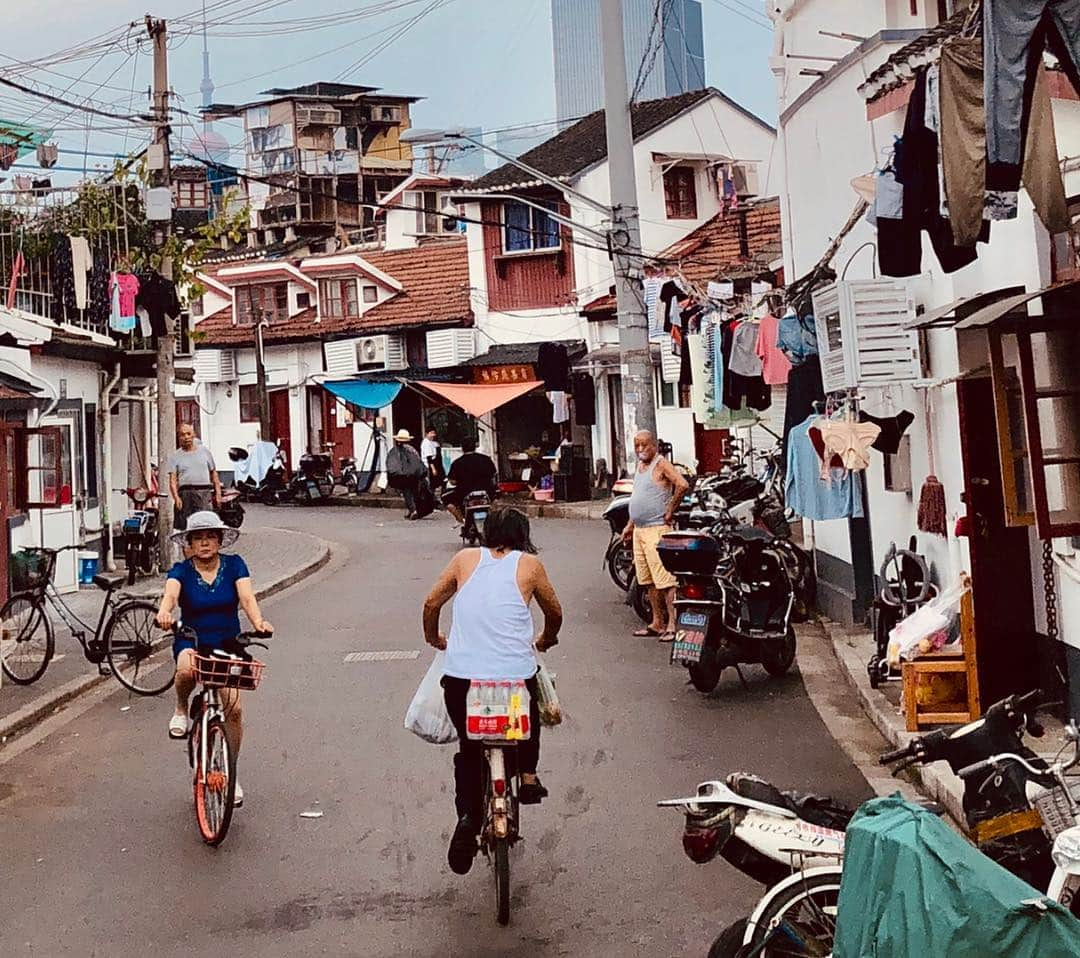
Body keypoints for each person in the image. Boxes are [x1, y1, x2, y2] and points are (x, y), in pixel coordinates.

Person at [422, 507, 563, 875]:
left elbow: (431, 602)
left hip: (462, 679)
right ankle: (528, 776)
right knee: (525, 713)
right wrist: (547, 639)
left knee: (470, 748)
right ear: (523, 533)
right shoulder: (529, 565)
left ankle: (469, 816)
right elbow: (555, 611)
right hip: (513, 678)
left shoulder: (465, 558)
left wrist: (433, 637)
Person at [155, 511, 273, 808]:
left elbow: (247, 598)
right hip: (192, 639)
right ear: (189, 544)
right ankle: (182, 708)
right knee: (185, 669)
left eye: (210, 537)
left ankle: (230, 772)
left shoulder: (234, 565)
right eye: (198, 538)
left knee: (233, 708)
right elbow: (170, 596)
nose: (205, 543)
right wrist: (164, 612)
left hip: (227, 642)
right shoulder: (181, 571)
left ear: (220, 541)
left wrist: (258, 621)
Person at [621, 431, 689, 641]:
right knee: (648, 580)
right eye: (637, 446)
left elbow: (682, 484)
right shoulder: (640, 467)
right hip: (640, 530)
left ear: (654, 445)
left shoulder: (661, 464)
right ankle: (657, 622)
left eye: (644, 445)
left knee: (665, 580)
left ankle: (672, 625)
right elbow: (638, 496)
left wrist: (670, 510)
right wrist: (630, 525)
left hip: (657, 529)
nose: (640, 450)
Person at [167, 424, 222, 532]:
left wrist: (218, 493)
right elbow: (172, 480)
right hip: (185, 494)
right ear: (179, 438)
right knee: (185, 528)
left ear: (194, 435)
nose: (186, 437)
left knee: (205, 525)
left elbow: (214, 474)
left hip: (204, 494)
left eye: (188, 434)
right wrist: (176, 497)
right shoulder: (175, 456)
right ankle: (186, 548)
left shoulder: (205, 452)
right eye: (182, 435)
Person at [443, 436, 498, 524]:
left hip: (464, 493)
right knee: (495, 499)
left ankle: (462, 521)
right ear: (475, 447)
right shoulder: (486, 459)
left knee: (446, 499)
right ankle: (494, 520)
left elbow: (452, 481)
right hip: (486, 491)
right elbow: (493, 475)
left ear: (462, 448)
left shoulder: (457, 463)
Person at [386, 428, 426, 519]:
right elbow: (418, 462)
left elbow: (394, 464)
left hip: (404, 476)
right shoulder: (412, 450)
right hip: (414, 475)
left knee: (407, 493)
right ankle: (413, 510)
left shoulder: (396, 451)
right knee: (414, 492)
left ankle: (413, 510)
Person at [420, 427, 445, 492]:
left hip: (437, 464)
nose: (433, 435)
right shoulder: (426, 443)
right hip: (430, 465)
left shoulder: (434, 443)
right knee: (432, 484)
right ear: (426, 434)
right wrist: (433, 469)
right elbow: (429, 458)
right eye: (431, 433)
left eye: (434, 433)